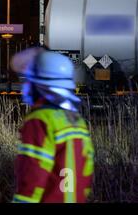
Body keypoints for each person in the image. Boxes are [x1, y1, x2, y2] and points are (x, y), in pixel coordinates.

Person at [11, 47, 94, 203]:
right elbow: (86, 170)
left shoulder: (40, 120)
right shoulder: (76, 120)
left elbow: (33, 175)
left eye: (29, 80)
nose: (25, 86)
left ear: (39, 84)